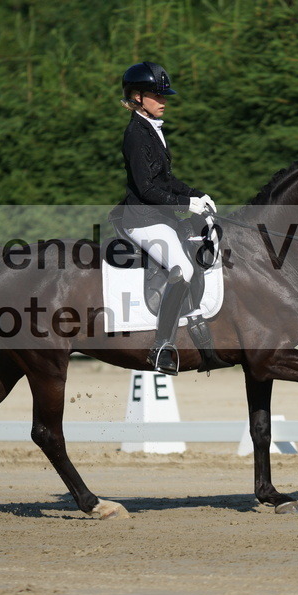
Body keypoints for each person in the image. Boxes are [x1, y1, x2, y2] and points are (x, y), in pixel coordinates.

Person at [113, 61, 216, 375]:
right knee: (181, 268)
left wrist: (197, 196)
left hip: (158, 216)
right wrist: (186, 204)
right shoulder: (136, 134)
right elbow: (146, 188)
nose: (164, 101)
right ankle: (162, 347)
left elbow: (166, 179)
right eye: (157, 96)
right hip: (141, 218)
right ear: (137, 97)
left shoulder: (151, 129)